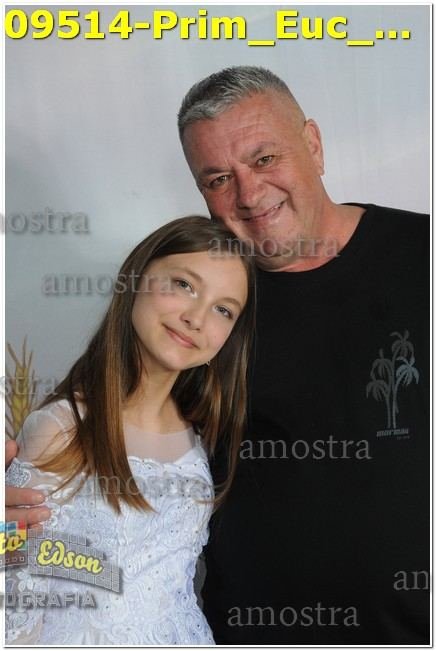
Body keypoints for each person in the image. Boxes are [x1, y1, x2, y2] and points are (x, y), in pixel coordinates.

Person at [6, 66, 430, 644]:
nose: (249, 195)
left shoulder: (422, 254)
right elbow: (94, 448)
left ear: (313, 144)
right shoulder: (203, 309)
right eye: (218, 179)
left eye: (265, 159)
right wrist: (11, 515)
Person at [5, 215, 256, 645]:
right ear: (136, 279)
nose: (196, 318)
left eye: (223, 309)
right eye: (184, 284)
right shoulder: (61, 430)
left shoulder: (200, 436)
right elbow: (16, 597)